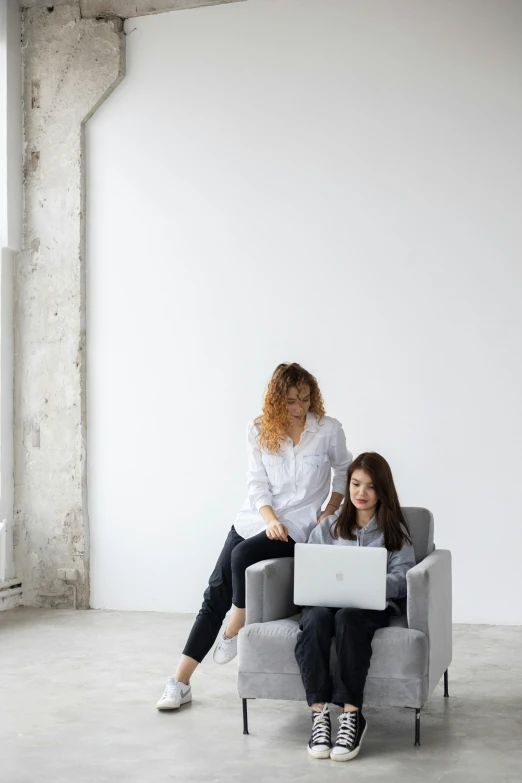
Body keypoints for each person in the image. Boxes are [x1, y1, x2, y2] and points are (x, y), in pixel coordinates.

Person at [156, 362, 353, 710]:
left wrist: (329, 509)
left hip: (300, 527)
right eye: (291, 402)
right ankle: (179, 682)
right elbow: (256, 484)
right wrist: (270, 519)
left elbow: (343, 470)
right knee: (214, 593)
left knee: (241, 557)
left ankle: (236, 625)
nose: (299, 409)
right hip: (255, 519)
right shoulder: (258, 429)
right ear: (277, 401)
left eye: (305, 400)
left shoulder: (328, 430)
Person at [295, 452, 416, 762]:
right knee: (316, 620)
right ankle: (319, 714)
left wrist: (371, 583)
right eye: (355, 484)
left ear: (383, 490)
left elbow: (403, 578)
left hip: (367, 606)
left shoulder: (395, 532)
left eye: (371, 486)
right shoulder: (328, 527)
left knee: (349, 617)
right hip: (324, 602)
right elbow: (308, 567)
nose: (361, 493)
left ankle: (352, 715)